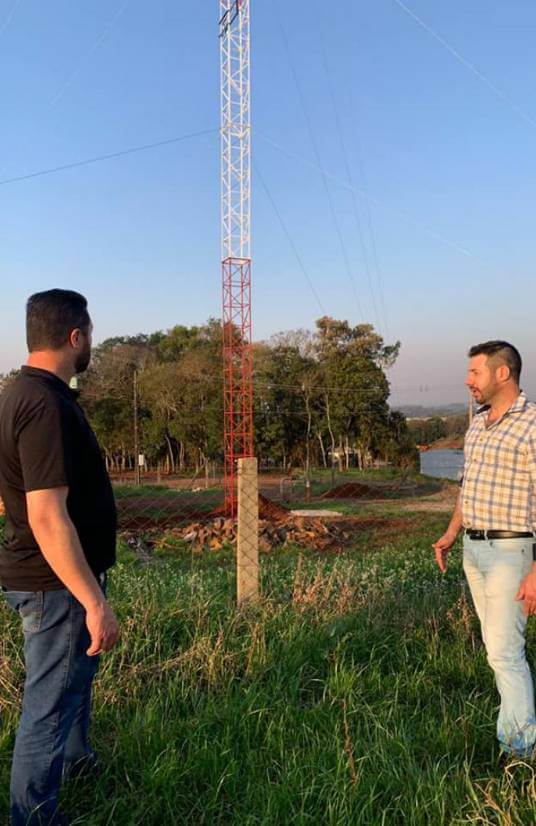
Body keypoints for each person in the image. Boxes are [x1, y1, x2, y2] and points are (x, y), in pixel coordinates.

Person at [0, 289, 120, 825]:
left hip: (52, 576)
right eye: (89, 334)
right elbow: (47, 515)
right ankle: (32, 817)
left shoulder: (18, 394)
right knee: (46, 708)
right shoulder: (44, 404)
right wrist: (92, 599)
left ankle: (77, 764)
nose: (89, 342)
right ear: (76, 337)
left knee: (72, 682)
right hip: (55, 582)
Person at [433, 340, 536, 759]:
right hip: (474, 550)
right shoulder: (477, 422)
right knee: (498, 650)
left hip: (512, 551)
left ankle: (519, 752)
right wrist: (452, 532)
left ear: (502, 373)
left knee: (504, 652)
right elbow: (468, 485)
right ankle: (517, 732)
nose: (467, 380)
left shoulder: (531, 425)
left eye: (475, 372)